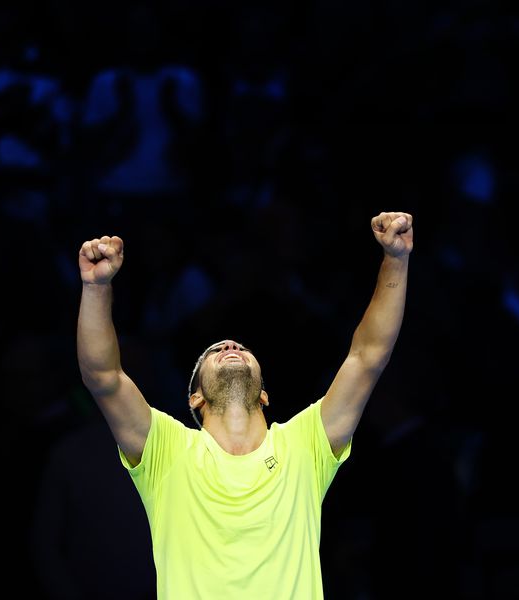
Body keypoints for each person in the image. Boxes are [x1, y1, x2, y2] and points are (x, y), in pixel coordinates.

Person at [75, 211, 413, 598]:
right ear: (195, 398)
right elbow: (103, 377)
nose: (230, 346)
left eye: (239, 348)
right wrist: (96, 287)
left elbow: (367, 356)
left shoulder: (304, 444)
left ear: (264, 395)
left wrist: (396, 260)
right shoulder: (166, 450)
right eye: (216, 350)